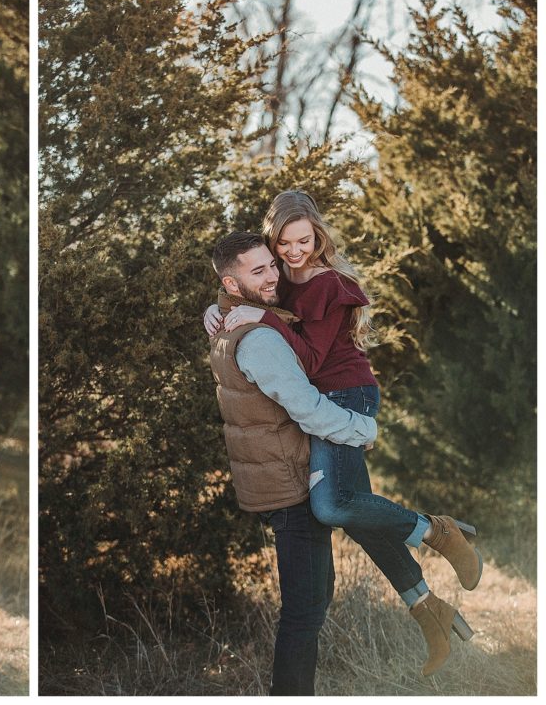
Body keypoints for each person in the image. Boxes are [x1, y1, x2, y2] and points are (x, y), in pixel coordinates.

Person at [206, 195, 481, 676]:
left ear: (318, 237)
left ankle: (435, 530)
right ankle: (429, 610)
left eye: (303, 241)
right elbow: (251, 299)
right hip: (327, 402)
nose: (290, 256)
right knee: (358, 515)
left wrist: (258, 316)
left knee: (334, 505)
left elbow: (307, 359)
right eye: (281, 246)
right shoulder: (281, 284)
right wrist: (217, 308)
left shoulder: (327, 284)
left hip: (347, 395)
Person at [209, 231, 384, 695]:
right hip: (290, 484)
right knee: (304, 613)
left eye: (272, 265)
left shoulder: (229, 322)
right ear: (231, 284)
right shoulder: (259, 340)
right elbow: (306, 406)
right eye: (259, 271)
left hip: (278, 477)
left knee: (314, 597)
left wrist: (223, 307)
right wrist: (360, 429)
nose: (273, 277)